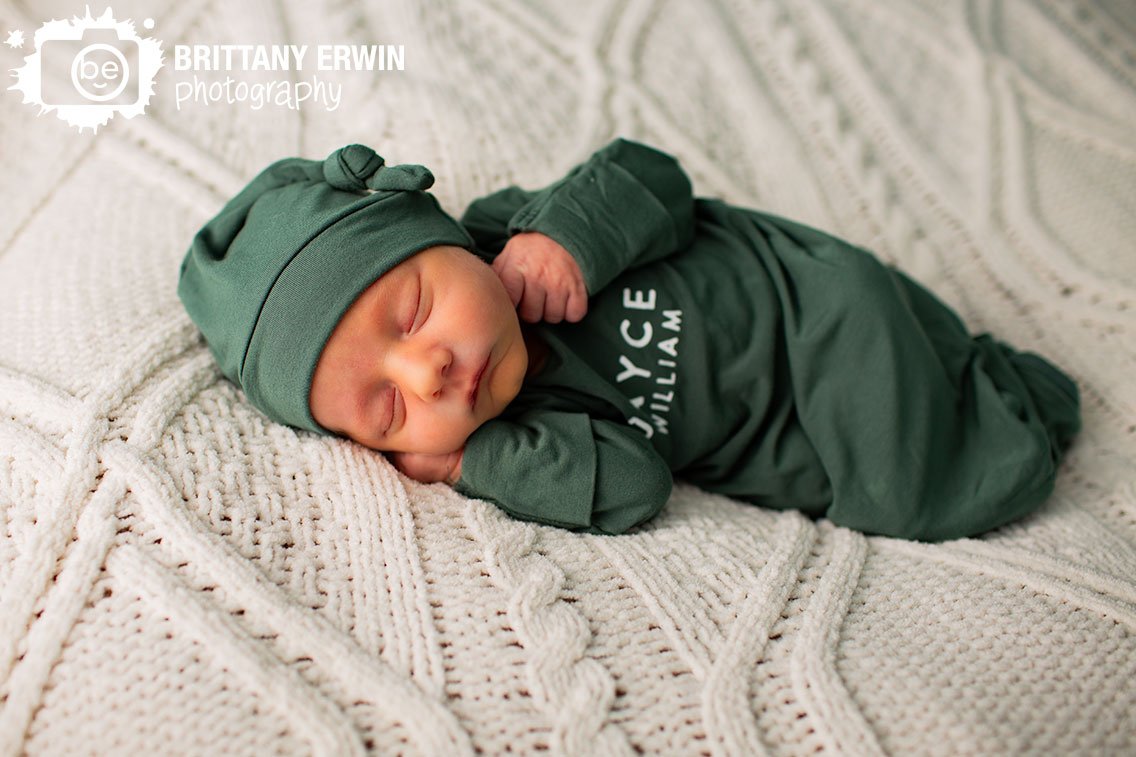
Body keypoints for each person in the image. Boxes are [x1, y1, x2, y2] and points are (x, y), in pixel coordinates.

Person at [178, 138, 1081, 541]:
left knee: (885, 341)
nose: (431, 369)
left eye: (411, 312)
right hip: (781, 419)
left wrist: (571, 235)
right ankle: (1000, 402)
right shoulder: (525, 432)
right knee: (907, 491)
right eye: (387, 408)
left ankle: (986, 388)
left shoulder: (516, 228)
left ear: (441, 232)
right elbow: (638, 486)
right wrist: (474, 465)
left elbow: (658, 177)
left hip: (796, 290)